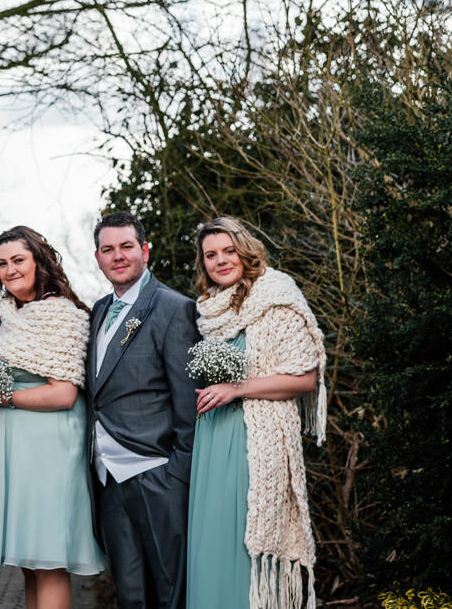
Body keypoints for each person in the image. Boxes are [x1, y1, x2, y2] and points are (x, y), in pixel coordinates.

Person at [186, 217, 325, 609]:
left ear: (246, 251)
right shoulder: (210, 310)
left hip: (254, 442)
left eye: (229, 251)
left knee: (242, 544)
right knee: (210, 542)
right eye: (211, 255)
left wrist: (238, 389)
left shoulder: (276, 296)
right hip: (213, 438)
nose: (221, 260)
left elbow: (305, 379)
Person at [0, 226, 105, 609]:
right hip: (15, 446)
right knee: (30, 563)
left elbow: (64, 393)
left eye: (18, 260)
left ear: (38, 261)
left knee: (48, 563)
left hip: (48, 449)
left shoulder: (60, 313)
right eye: (2, 263)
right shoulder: (11, 315)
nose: (10, 270)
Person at [85, 211, 199, 609]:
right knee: (131, 596)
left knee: (171, 593)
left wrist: (176, 477)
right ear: (97, 258)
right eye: (108, 249)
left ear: (145, 250)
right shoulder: (96, 312)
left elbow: (188, 403)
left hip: (157, 474)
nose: (118, 256)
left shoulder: (173, 308)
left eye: (126, 247)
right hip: (108, 480)